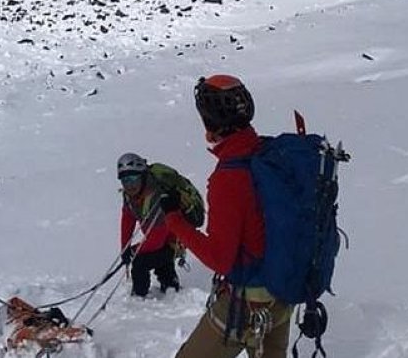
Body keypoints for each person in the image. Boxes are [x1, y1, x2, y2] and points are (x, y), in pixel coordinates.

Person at [160, 75, 292, 358]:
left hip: (248, 304)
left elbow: (220, 258)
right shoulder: (268, 155)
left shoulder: (229, 178)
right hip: (283, 293)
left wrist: (174, 220)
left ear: (209, 125)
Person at [117, 152, 182, 297]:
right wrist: (125, 248)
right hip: (162, 240)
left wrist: (133, 252)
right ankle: (171, 285)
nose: (130, 185)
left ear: (142, 176)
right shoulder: (130, 196)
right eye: (125, 180)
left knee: (140, 263)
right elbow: (128, 218)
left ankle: (139, 300)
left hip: (174, 241)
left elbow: (158, 238)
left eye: (133, 179)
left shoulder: (156, 196)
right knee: (158, 259)